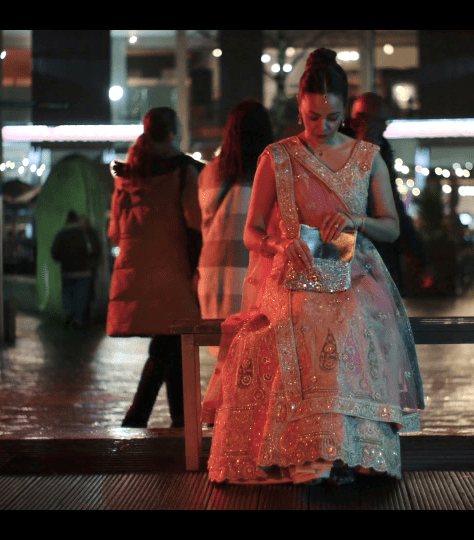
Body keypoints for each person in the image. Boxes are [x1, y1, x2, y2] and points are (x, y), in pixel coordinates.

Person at [202, 48, 425, 485]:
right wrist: (278, 245)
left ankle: (354, 447)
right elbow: (252, 231)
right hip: (292, 272)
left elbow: (392, 228)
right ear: (298, 110)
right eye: (311, 118)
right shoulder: (278, 157)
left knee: (351, 317)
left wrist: (357, 221)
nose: (321, 128)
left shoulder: (367, 157)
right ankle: (308, 451)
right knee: (301, 317)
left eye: (332, 117)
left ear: (345, 111)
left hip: (354, 273)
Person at [108, 107, 203, 429]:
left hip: (137, 274)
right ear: (175, 131)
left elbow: (114, 232)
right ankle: (137, 418)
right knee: (169, 343)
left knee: (171, 342)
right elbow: (197, 223)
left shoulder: (127, 175)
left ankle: (180, 419)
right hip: (173, 273)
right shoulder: (183, 172)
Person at [198, 99, 274, 324]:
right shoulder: (269, 171)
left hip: (213, 276)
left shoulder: (209, 173)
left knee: (220, 352)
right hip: (252, 275)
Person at [348, 92, 427, 296]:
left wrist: (419, 256)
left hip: (377, 247)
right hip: (353, 250)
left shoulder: (380, 151)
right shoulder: (350, 151)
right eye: (380, 121)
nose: (384, 127)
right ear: (361, 121)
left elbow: (396, 209)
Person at [51, 210, 101, 330]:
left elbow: (54, 253)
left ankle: (69, 314)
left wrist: (64, 258)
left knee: (68, 294)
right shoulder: (85, 233)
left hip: (67, 271)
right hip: (84, 271)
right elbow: (95, 250)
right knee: (82, 296)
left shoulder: (61, 234)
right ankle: (78, 320)